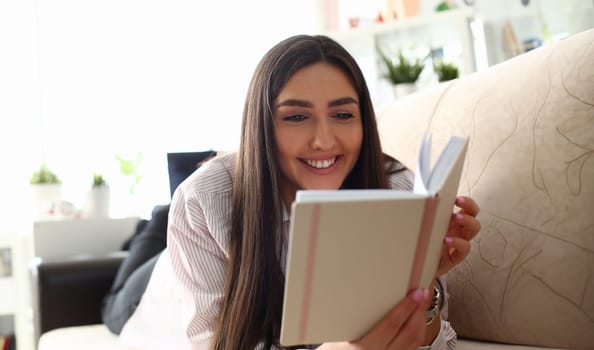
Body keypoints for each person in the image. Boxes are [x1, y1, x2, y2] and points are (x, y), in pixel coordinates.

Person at [119, 34, 481, 350]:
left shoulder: (399, 190)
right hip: (156, 291)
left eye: (342, 115)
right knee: (119, 293)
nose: (324, 141)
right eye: (295, 117)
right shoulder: (202, 201)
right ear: (262, 126)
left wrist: (423, 282)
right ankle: (150, 228)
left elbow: (435, 343)